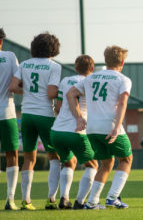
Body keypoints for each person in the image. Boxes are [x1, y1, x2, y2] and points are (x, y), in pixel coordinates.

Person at [67, 45, 133, 209]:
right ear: (122, 62)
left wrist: (79, 118)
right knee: (126, 159)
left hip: (92, 128)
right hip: (109, 125)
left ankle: (92, 202)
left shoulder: (90, 78)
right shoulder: (123, 79)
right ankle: (112, 197)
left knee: (107, 163)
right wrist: (117, 127)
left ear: (106, 60)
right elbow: (123, 102)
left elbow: (70, 94)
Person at [9, 32, 62, 210]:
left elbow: (13, 87)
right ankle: (51, 199)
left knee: (29, 157)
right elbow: (51, 93)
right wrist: (62, 91)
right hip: (45, 114)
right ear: (54, 48)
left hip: (27, 115)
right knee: (55, 156)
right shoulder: (54, 66)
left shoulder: (24, 64)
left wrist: (28, 93)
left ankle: (26, 200)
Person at [50, 55, 98, 209]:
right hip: (76, 131)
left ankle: (64, 198)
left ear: (76, 67)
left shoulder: (65, 81)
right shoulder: (90, 82)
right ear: (92, 69)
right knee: (93, 165)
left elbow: (57, 108)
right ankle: (80, 201)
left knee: (69, 162)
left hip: (56, 131)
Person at [0, 28, 20, 210]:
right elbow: (17, 83)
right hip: (6, 112)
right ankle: (10, 199)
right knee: (11, 155)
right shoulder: (10, 56)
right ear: (1, 42)